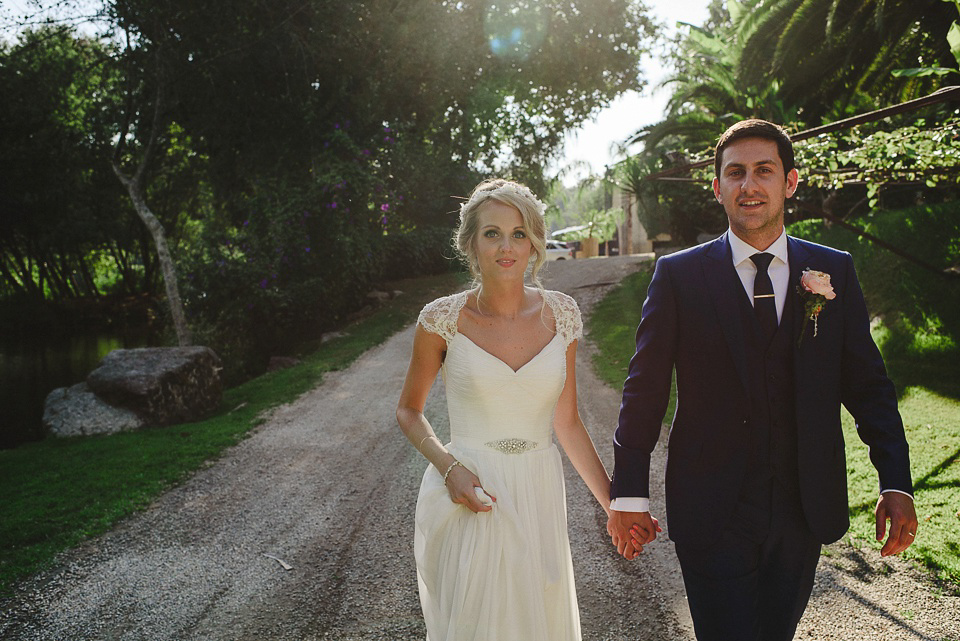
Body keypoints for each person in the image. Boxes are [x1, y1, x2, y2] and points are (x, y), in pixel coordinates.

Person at [606, 119, 918, 641]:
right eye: (736, 173)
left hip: (803, 506)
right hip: (712, 506)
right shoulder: (679, 276)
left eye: (763, 171)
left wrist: (895, 480)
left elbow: (868, 387)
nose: (749, 185)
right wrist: (629, 494)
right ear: (718, 188)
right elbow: (644, 390)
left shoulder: (832, 270)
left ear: (789, 183)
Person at [396, 179, 614, 641]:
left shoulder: (563, 314)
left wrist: (614, 506)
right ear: (471, 243)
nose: (506, 246)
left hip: (538, 490)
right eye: (492, 233)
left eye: (519, 233)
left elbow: (568, 422)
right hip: (472, 490)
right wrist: (449, 468)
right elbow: (409, 412)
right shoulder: (441, 319)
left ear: (535, 241)